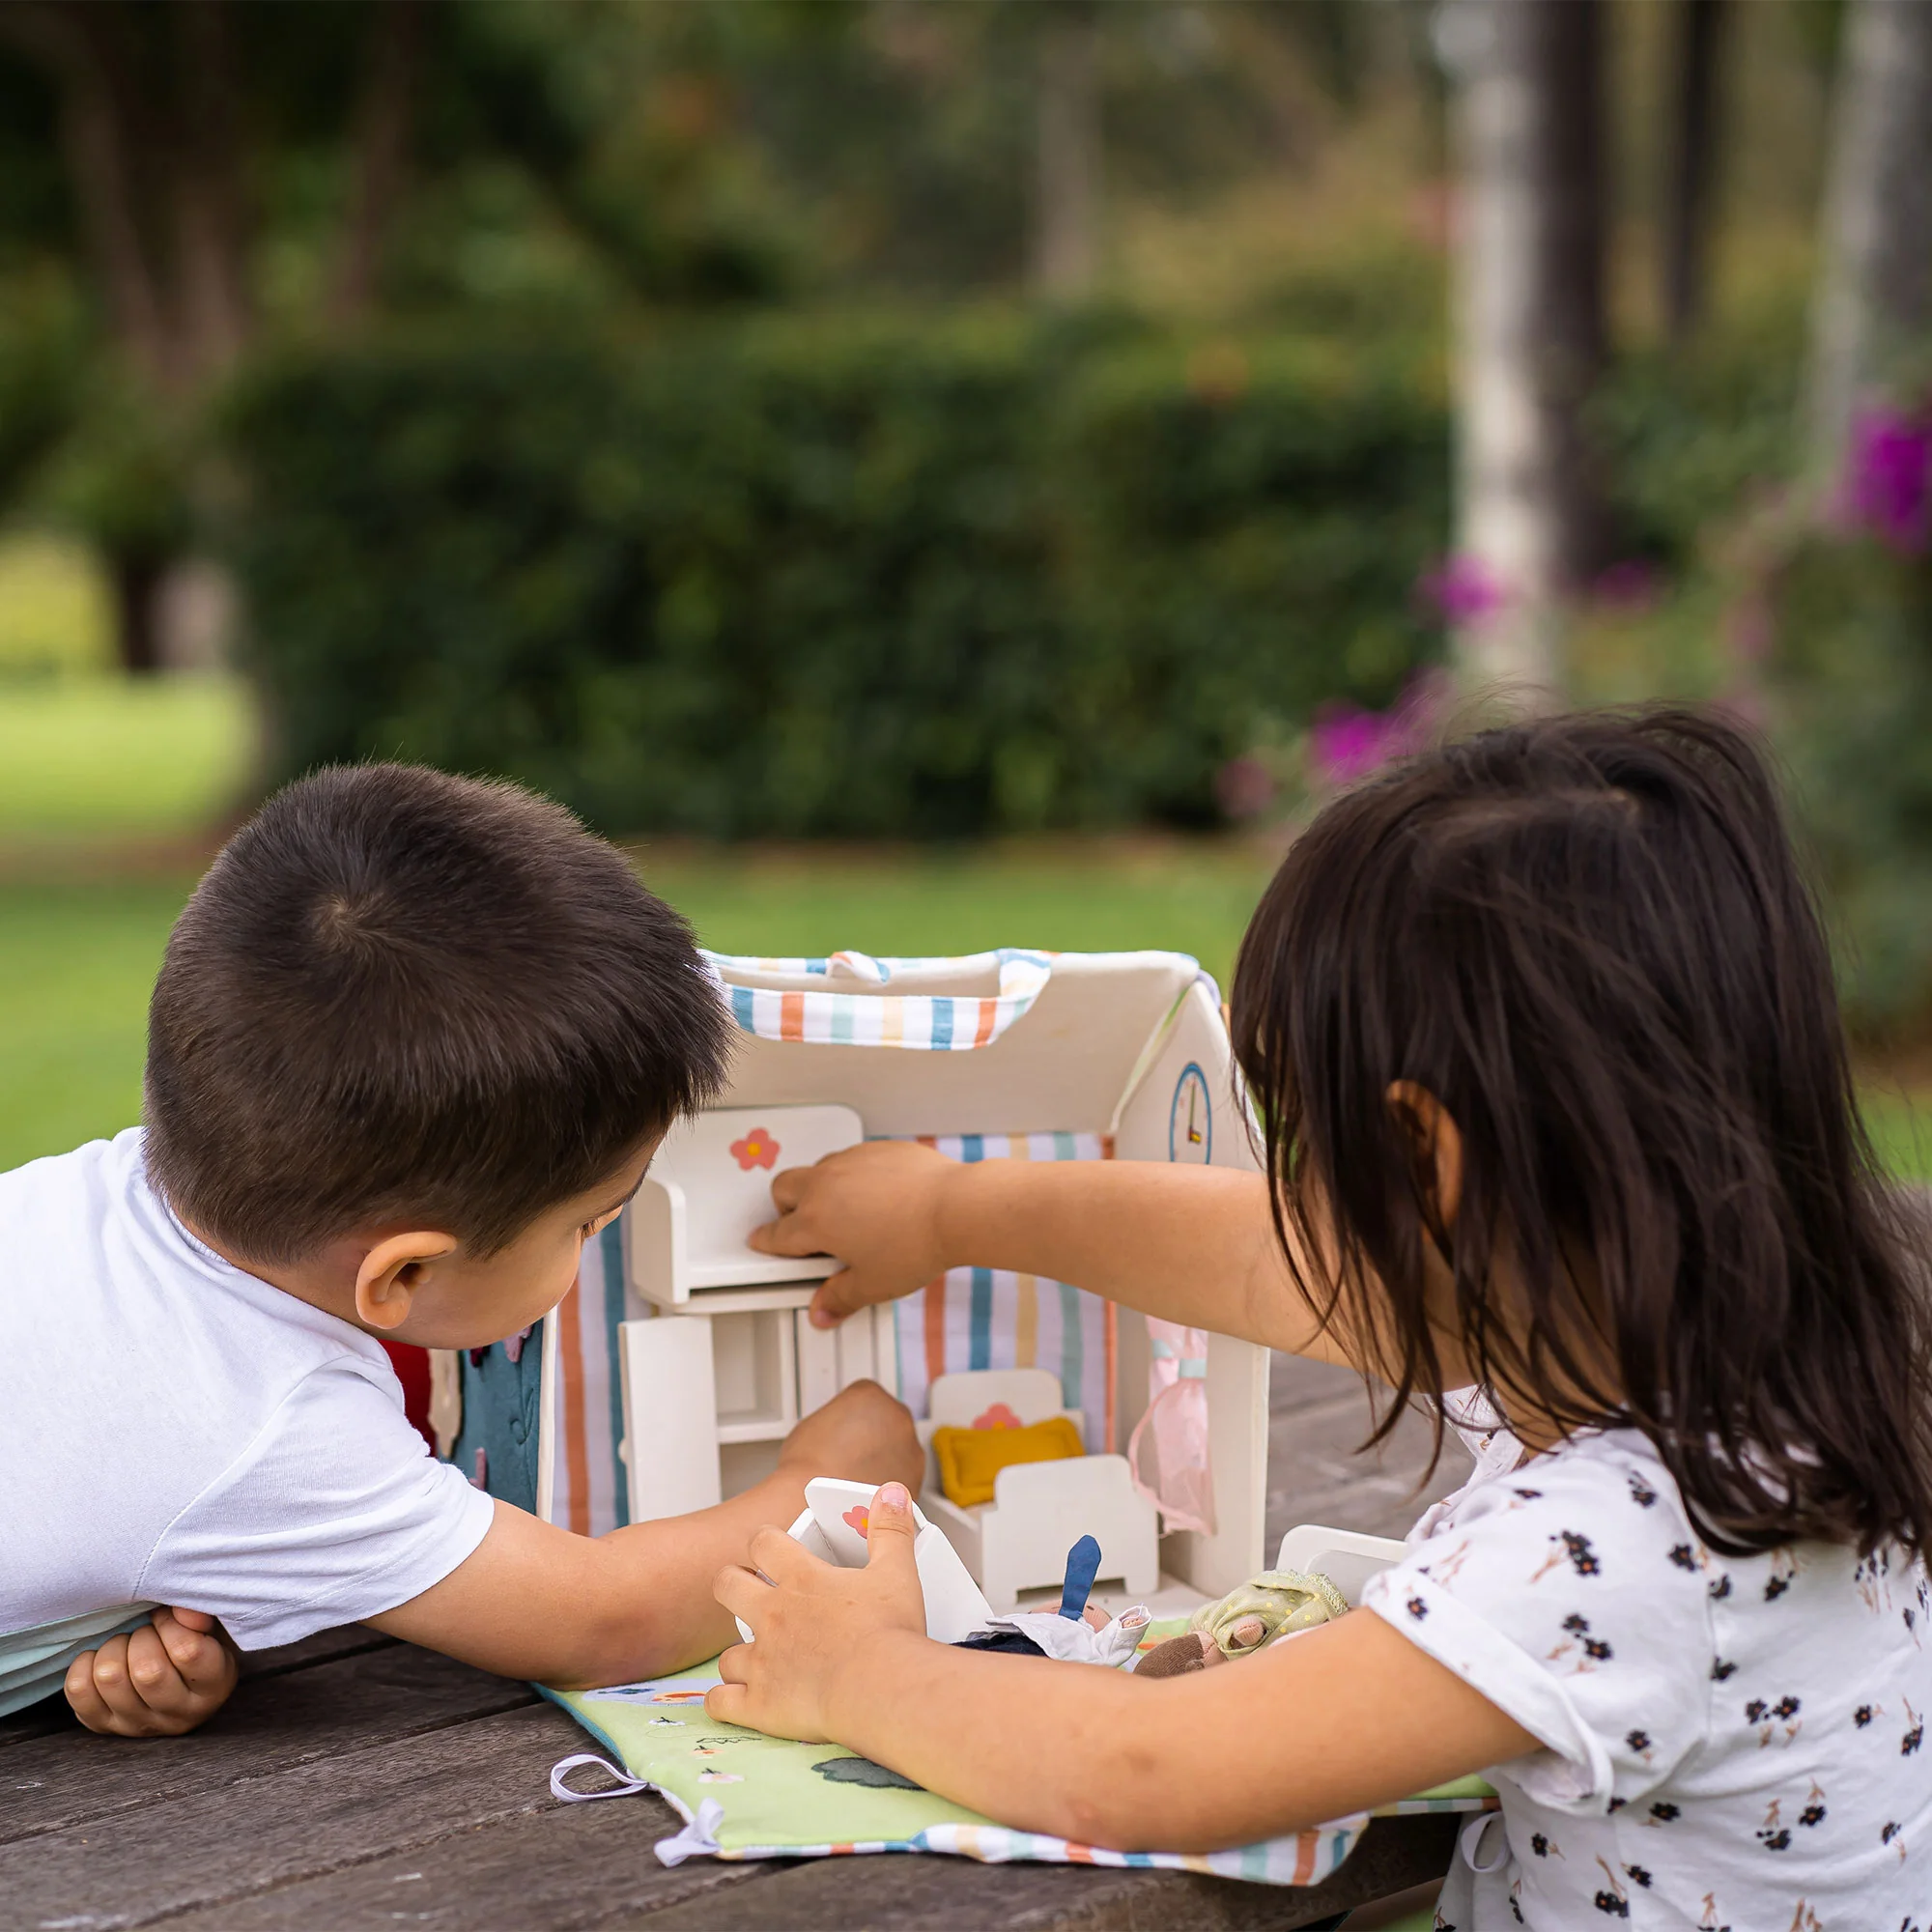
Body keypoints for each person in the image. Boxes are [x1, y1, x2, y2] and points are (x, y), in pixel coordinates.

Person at [716, 708, 1932, 1928]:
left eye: (1308, 1150)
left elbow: (1147, 1767)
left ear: (1427, 1157)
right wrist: (949, 1208)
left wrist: (859, 1668)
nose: (1289, 1202)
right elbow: (1263, 1259)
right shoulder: (1715, 1354)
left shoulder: (1618, 1544)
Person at [4, 764, 920, 1738]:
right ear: (401, 1273)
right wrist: (822, 1484)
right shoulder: (270, 1427)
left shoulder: (82, 1200)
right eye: (587, 1222)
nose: (595, 1242)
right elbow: (601, 1616)